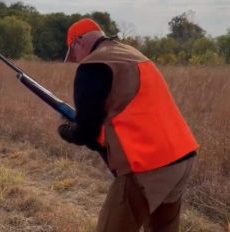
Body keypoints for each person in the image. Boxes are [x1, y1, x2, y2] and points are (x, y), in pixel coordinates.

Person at [58, 18, 198, 232]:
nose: (76, 60)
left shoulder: (93, 66)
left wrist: (66, 130)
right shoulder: (132, 54)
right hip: (182, 158)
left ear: (78, 42)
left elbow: (87, 132)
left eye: (73, 53)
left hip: (147, 165)